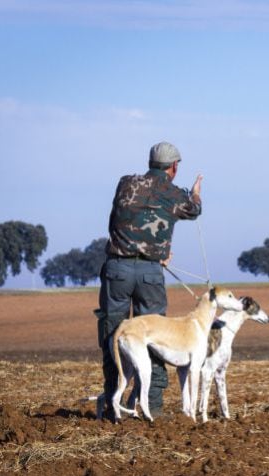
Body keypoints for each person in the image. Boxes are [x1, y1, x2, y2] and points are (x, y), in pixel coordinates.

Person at [96, 141, 203, 420]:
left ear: (150, 162)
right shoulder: (173, 192)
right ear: (174, 167)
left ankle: (112, 402)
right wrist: (195, 194)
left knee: (113, 337)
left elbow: (116, 220)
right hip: (149, 274)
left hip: (116, 269)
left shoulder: (125, 183)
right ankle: (150, 406)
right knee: (155, 336)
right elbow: (193, 210)